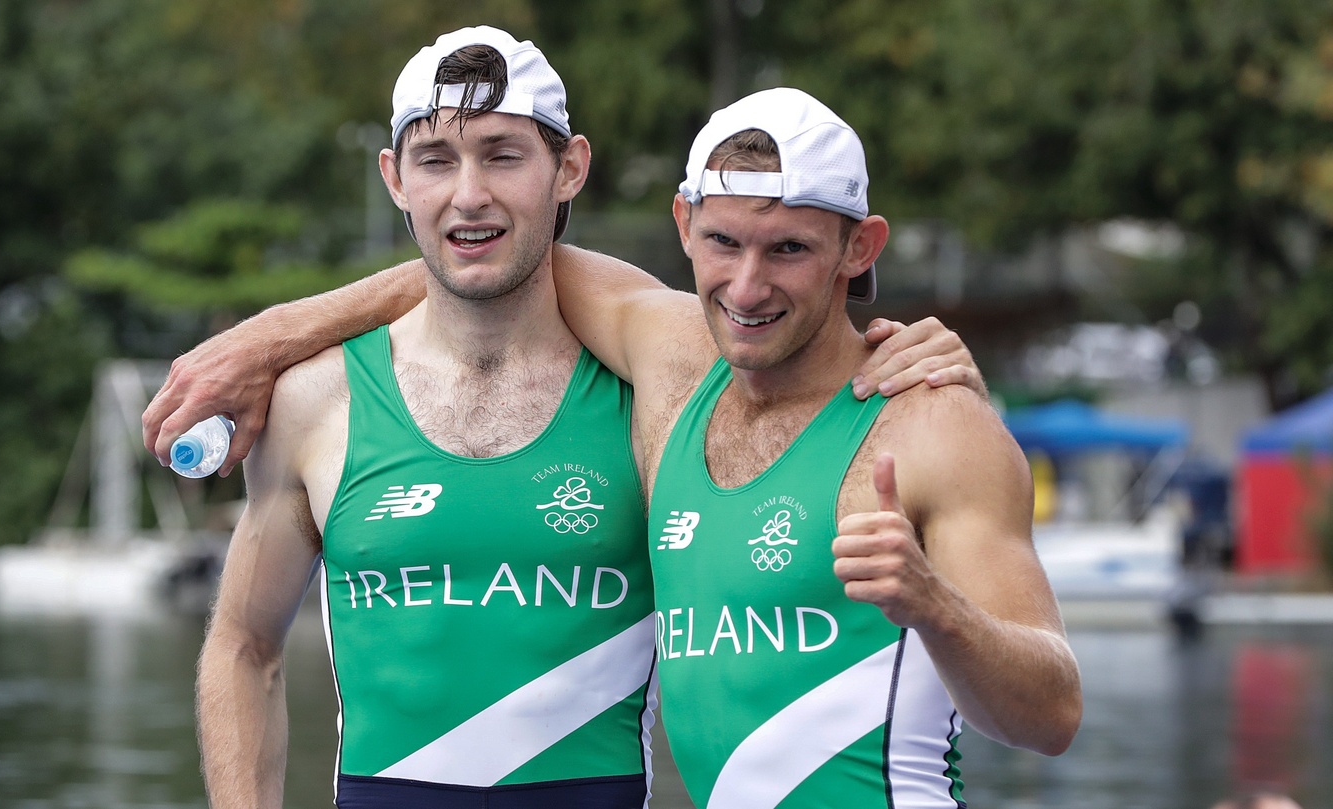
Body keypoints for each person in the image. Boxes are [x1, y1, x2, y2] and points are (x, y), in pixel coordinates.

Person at [177, 27, 983, 809]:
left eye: (502, 155)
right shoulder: (316, 402)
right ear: (394, 177)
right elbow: (245, 647)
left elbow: (801, 334)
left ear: (569, 169)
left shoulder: (660, 380)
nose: (469, 192)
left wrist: (920, 370)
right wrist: (274, 335)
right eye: (436, 160)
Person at [547, 88, 1082, 806]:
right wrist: (336, 313)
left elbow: (1053, 714)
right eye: (723, 241)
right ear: (684, 222)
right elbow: (489, 259)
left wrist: (934, 605)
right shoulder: (672, 371)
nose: (747, 285)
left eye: (789, 249)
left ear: (859, 248)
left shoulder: (930, 424)